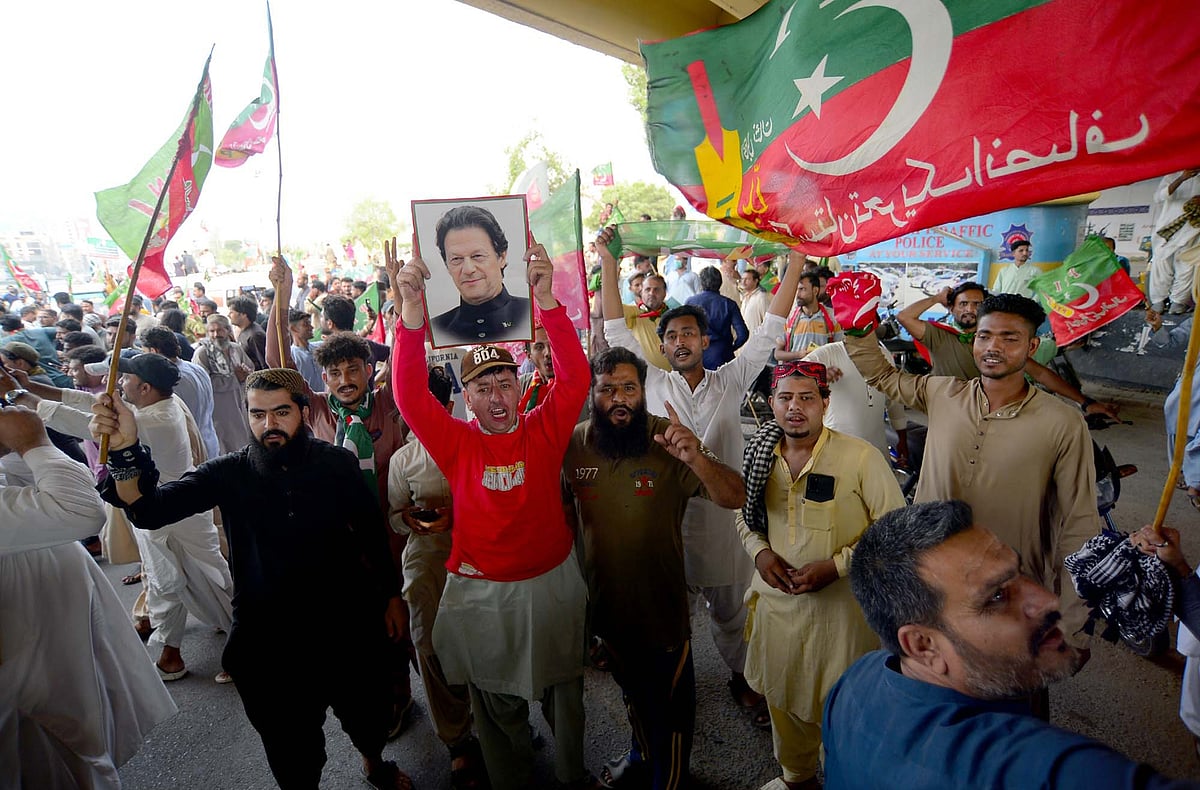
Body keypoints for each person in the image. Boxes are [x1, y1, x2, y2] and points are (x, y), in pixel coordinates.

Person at [91, 368, 415, 790]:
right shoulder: (229, 473)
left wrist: (391, 597)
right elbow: (149, 509)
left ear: (303, 412)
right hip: (268, 638)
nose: (269, 424)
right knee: (290, 748)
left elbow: (370, 532)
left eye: (281, 412)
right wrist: (124, 449)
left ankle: (373, 761)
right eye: (258, 414)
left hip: (345, 623)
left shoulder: (337, 464)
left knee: (368, 714)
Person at [388, 237, 598, 789]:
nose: (498, 397)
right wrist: (411, 317)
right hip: (481, 592)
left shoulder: (545, 428)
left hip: (551, 583)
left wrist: (546, 301)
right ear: (467, 397)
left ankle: (572, 779)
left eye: (506, 382)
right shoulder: (456, 442)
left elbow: (576, 379)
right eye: (483, 387)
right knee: (496, 706)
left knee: (564, 696)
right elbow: (408, 395)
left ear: (520, 385)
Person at [823, 500, 1197, 790]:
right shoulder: (1049, 770)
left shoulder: (855, 680)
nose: (1047, 600)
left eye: (1019, 573)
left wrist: (1180, 574)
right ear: (923, 645)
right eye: (997, 597)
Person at [601, 231, 805, 730]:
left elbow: (770, 329)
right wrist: (607, 262)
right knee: (670, 622)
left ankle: (743, 680)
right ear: (663, 346)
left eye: (689, 334)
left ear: (705, 341)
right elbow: (615, 331)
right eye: (672, 336)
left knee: (734, 616)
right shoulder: (653, 383)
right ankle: (672, 692)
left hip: (725, 522)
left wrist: (798, 258)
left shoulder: (731, 379)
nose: (680, 342)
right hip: (668, 528)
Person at [842, 289, 1098, 645]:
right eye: (984, 336)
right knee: (929, 661)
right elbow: (883, 377)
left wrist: (1072, 620)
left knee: (1007, 672)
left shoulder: (1062, 422)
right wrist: (857, 332)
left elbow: (1079, 522)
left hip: (1010, 587)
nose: (993, 347)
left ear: (1032, 346)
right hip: (930, 573)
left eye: (1009, 338)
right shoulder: (943, 394)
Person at [564, 346, 746, 789]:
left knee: (672, 712)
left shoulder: (669, 438)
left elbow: (735, 495)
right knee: (633, 695)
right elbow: (563, 517)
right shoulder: (575, 445)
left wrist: (696, 457)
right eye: (607, 389)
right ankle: (640, 757)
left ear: (643, 391)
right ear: (592, 393)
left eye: (629, 388)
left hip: (662, 610)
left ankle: (671, 780)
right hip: (607, 609)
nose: (619, 399)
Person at [4, 353, 235, 682]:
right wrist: (32, 387)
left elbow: (82, 422)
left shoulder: (156, 419)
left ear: (145, 387)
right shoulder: (152, 406)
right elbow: (89, 404)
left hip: (180, 516)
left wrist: (18, 396)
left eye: (125, 379)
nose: (117, 384)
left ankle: (244, 644)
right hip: (153, 514)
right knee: (164, 582)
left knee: (211, 578)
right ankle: (172, 654)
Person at [739, 360, 905, 790]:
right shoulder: (759, 455)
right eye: (785, 398)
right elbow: (744, 516)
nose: (795, 407)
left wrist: (837, 566)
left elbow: (894, 526)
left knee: (846, 710)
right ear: (771, 403)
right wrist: (760, 553)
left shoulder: (859, 457)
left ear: (825, 403)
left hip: (841, 617)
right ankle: (796, 777)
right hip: (778, 609)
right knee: (782, 699)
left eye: (806, 398)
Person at [0, 405, 177, 788]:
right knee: (61, 754)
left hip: (59, 635)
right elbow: (77, 508)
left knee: (80, 739)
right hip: (29, 658)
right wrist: (33, 441)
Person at [387, 366, 488, 789]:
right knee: (430, 647)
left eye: (427, 407)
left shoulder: (478, 443)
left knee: (486, 644)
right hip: (426, 562)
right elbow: (395, 517)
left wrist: (460, 515)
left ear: (449, 406)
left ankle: (498, 723)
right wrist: (410, 519)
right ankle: (458, 741)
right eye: (410, 410)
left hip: (481, 557)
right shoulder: (403, 460)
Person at [897, 282, 1120, 418]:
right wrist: (937, 298)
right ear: (951, 308)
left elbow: (1040, 373)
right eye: (963, 304)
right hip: (949, 414)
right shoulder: (939, 335)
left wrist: (1085, 402)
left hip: (992, 414)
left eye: (977, 304)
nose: (970, 309)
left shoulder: (997, 344)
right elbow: (905, 317)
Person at [428, 205, 533, 345]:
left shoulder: (531, 314)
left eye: (477, 256)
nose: (468, 269)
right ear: (447, 265)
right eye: (456, 259)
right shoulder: (437, 329)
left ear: (501, 257)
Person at [801, 341, 908, 461]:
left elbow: (894, 401)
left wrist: (902, 439)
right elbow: (792, 377)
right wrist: (817, 377)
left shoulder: (884, 356)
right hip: (836, 455)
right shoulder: (827, 354)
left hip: (876, 453)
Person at [141, 325, 220, 462]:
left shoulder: (169, 380)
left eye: (144, 352)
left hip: (191, 451)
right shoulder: (196, 369)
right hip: (209, 443)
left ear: (153, 351)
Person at [194, 313, 253, 454]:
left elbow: (250, 368)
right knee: (224, 443)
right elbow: (203, 383)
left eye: (220, 330)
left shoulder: (235, 349)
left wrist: (246, 374)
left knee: (243, 438)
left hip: (239, 402)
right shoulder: (202, 353)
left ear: (227, 330)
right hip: (219, 408)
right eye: (212, 331)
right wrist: (234, 378)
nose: (216, 335)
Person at [1150, 169, 1200, 315]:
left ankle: (1178, 302)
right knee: (1161, 263)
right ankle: (1158, 300)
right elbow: (1159, 196)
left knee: (1187, 266)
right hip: (1168, 228)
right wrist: (1181, 178)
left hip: (1192, 229)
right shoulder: (1172, 175)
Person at [687, 265, 749, 369]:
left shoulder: (690, 302)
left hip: (697, 357)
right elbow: (743, 334)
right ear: (720, 283)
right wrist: (732, 348)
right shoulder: (729, 304)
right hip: (723, 356)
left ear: (701, 283)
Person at [776, 272, 841, 361]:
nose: (798, 294)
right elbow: (777, 354)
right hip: (796, 369)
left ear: (815, 291)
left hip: (823, 369)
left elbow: (840, 350)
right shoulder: (789, 318)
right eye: (797, 290)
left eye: (802, 289)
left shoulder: (832, 317)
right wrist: (798, 354)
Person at [286, 308, 325, 393]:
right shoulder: (291, 356)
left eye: (309, 323)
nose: (311, 327)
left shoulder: (321, 347)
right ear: (294, 329)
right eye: (306, 324)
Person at [228, 295, 268, 370]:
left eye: (231, 312)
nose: (228, 315)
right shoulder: (242, 330)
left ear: (243, 314)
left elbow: (264, 365)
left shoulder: (255, 335)